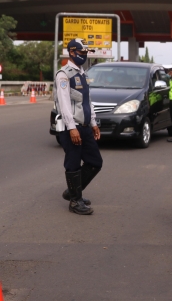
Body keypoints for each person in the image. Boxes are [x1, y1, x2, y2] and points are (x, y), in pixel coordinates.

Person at [53, 38, 103, 215]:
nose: (84, 56)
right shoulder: (63, 75)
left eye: (85, 53)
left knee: (95, 162)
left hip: (85, 126)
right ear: (72, 52)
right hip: (71, 127)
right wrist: (71, 127)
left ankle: (74, 191)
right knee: (73, 163)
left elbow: (87, 101)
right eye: (82, 53)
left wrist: (93, 123)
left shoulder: (82, 73)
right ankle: (75, 201)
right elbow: (64, 103)